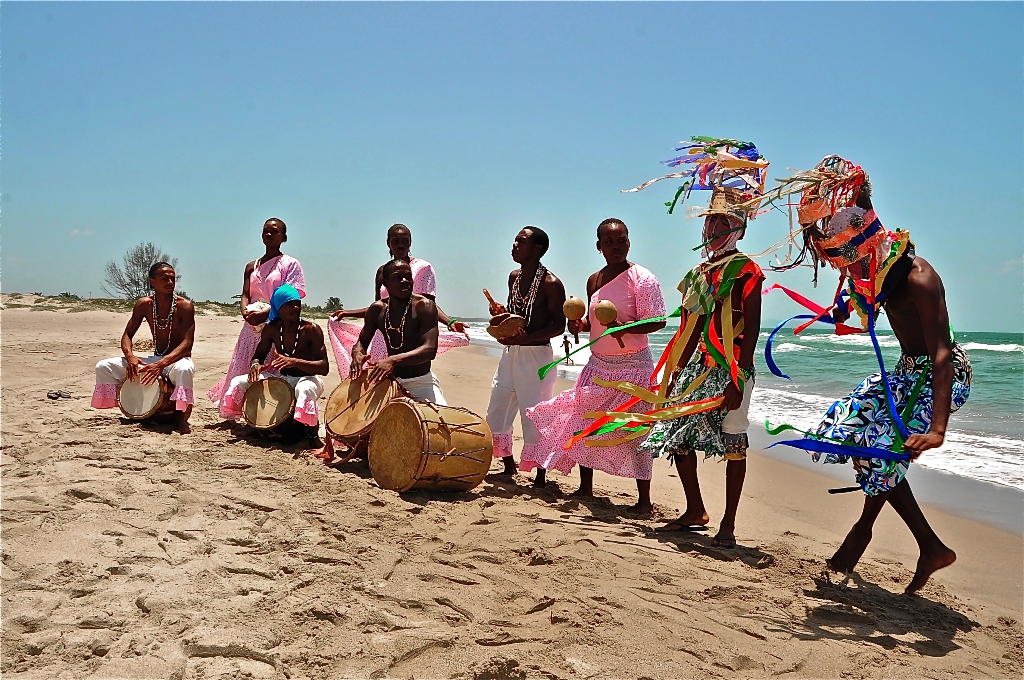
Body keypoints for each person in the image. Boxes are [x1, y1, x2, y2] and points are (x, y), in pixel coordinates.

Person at [776, 158, 971, 594]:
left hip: (944, 375)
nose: (852, 270)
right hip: (906, 373)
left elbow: (940, 353)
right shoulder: (875, 275)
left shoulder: (921, 278)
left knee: (882, 450)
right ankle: (923, 544)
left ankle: (867, 536)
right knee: (847, 429)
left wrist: (937, 429)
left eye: (855, 261)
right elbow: (856, 302)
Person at [638, 187, 764, 547]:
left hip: (734, 369)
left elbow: (751, 330)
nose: (712, 231)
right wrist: (676, 367)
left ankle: (729, 523)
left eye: (722, 224)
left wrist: (738, 379)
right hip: (700, 367)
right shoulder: (699, 272)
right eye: (710, 223)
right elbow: (692, 325)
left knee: (733, 440)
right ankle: (695, 510)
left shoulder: (746, 270)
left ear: (738, 229)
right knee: (675, 431)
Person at [524, 219, 666, 510]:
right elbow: (594, 322)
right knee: (585, 423)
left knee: (635, 430)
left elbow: (658, 320)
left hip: (633, 367)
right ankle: (585, 487)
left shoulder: (643, 278)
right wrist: (580, 325)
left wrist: (623, 327)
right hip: (598, 365)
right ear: (599, 246)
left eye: (622, 240)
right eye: (610, 242)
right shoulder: (594, 280)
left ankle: (644, 501)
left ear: (629, 242)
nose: (617, 246)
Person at [328, 223, 468, 378]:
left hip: (410, 332)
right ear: (388, 243)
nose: (401, 245)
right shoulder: (382, 271)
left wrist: (449, 322)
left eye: (405, 241)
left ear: (410, 242)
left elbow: (428, 305)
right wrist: (348, 313)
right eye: (396, 241)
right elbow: (380, 306)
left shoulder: (422, 267)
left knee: (409, 373)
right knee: (381, 379)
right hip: (385, 335)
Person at [484, 227, 567, 485]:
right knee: (498, 408)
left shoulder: (551, 284)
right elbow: (518, 314)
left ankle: (540, 476)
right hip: (511, 354)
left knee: (535, 414)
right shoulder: (514, 278)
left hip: (536, 356)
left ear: (537, 249)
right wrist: (501, 313)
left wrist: (526, 339)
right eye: (515, 241)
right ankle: (509, 466)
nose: (514, 245)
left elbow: (558, 326)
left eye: (521, 242)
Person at [207, 218, 306, 416]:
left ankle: (269, 413)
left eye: (275, 231)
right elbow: (246, 293)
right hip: (251, 326)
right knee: (245, 366)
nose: (269, 234)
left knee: (270, 369)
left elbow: (293, 296)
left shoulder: (290, 264)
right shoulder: (252, 266)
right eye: (265, 231)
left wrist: (266, 314)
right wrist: (245, 312)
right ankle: (242, 409)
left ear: (284, 237)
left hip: (275, 324)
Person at [219, 284, 329, 448]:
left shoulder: (311, 329)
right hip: (282, 378)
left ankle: (313, 436)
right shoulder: (272, 329)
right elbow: (258, 356)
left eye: (297, 302)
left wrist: (295, 362)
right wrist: (255, 365)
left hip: (308, 379)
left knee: (304, 390)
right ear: (279, 307)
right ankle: (254, 423)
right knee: (238, 382)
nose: (296, 307)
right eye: (289, 304)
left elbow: (324, 367)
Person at [92, 262, 196, 434]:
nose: (170, 282)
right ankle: (133, 405)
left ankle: (180, 418)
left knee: (185, 369)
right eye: (165, 279)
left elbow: (187, 344)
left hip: (176, 360)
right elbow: (127, 335)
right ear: (152, 282)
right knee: (103, 367)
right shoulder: (144, 304)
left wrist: (161, 364)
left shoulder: (184, 306)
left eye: (172, 278)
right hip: (155, 358)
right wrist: (130, 356)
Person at [351, 259, 446, 403]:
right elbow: (361, 343)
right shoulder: (377, 310)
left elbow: (430, 349)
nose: (404, 281)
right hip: (389, 382)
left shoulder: (424, 307)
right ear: (385, 283)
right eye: (397, 277)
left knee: (441, 423)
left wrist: (393, 360)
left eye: (408, 276)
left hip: (421, 383)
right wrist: (357, 353)